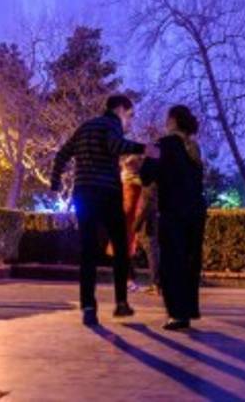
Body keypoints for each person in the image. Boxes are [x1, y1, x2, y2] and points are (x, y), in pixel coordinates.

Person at [51, 95, 148, 326]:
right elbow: (116, 146)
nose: (128, 121)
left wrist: (55, 182)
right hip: (107, 192)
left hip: (83, 192)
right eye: (129, 115)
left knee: (88, 250)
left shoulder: (85, 126)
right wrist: (144, 148)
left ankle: (88, 306)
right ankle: (121, 303)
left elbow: (63, 153)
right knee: (120, 245)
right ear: (120, 109)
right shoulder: (111, 124)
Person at [138, 105, 206, 331]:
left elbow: (146, 177)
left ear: (173, 120)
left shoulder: (162, 145)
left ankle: (176, 313)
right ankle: (188, 310)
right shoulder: (194, 148)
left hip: (173, 212)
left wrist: (146, 156)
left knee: (172, 262)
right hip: (196, 212)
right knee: (190, 261)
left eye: (167, 118)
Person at [110, 158, 144, 292]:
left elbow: (127, 206)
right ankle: (128, 280)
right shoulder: (135, 184)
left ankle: (128, 280)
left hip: (125, 223)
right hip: (129, 223)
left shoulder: (129, 186)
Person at [132, 179, 161, 296]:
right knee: (154, 252)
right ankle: (157, 284)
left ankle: (156, 284)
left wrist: (136, 225)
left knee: (152, 252)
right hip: (153, 222)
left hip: (148, 224)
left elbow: (146, 207)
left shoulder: (149, 185)